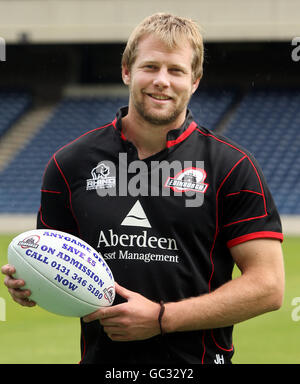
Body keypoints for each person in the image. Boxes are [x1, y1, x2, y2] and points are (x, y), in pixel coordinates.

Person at [1, 13, 284, 364]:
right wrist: (29, 285)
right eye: (150, 67)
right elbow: (57, 263)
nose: (162, 81)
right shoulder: (70, 163)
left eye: (176, 70)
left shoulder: (233, 167)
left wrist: (163, 319)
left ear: (194, 80)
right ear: (126, 71)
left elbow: (269, 287)